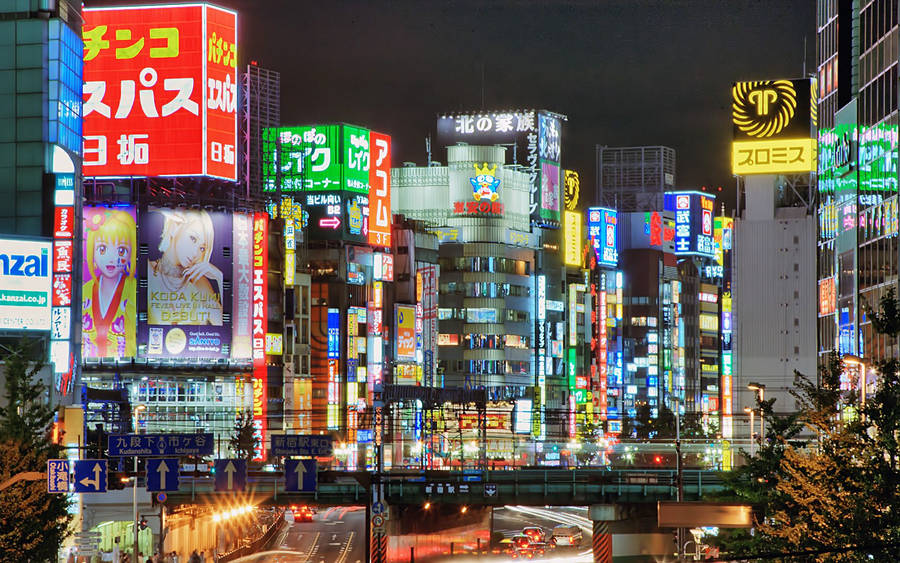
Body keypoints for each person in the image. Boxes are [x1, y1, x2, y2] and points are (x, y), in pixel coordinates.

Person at [147, 209, 223, 326]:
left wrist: (219, 278)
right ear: (174, 228)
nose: (195, 253)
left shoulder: (198, 282)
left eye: (202, 248)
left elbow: (222, 324)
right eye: (193, 239)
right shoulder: (148, 271)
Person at [82, 208, 137, 358]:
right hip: (85, 367)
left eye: (121, 250)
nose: (111, 258)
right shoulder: (84, 291)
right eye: (102, 249)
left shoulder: (135, 289)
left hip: (128, 367)